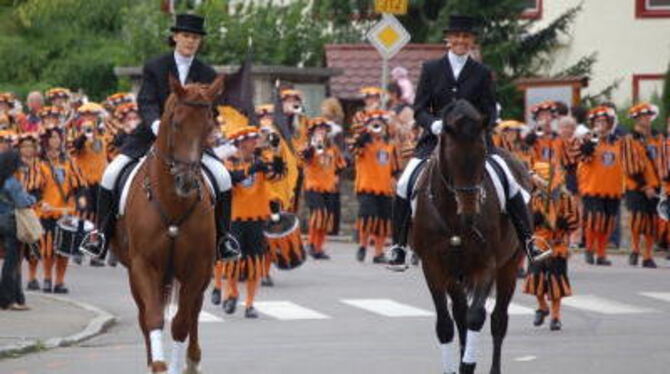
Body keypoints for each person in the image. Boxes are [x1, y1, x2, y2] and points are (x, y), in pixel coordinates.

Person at [388, 14, 542, 269]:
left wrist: (480, 127)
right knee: (404, 185)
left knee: (510, 182)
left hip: (473, 142)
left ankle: (529, 241)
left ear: (472, 41)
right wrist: (433, 124)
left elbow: (490, 109)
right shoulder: (431, 68)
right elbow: (419, 108)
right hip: (436, 140)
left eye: (466, 37)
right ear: (448, 39)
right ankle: (398, 247)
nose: (461, 40)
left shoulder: (482, 72)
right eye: (456, 36)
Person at [81, 14, 238, 261]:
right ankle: (101, 234)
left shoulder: (206, 71)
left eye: (195, 37)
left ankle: (224, 238)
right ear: (175, 37)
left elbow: (211, 109)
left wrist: (209, 127)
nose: (190, 41)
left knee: (223, 176)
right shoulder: (156, 65)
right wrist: (156, 124)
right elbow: (146, 100)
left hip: (190, 140)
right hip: (151, 133)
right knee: (111, 173)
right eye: (186, 36)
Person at [217, 126, 284, 318]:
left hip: (256, 218)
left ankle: (250, 304)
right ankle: (232, 293)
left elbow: (277, 176)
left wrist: (277, 154)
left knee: (255, 260)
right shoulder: (229, 161)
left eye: (256, 139)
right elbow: (231, 179)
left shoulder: (260, 161)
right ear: (241, 143)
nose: (256, 142)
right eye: (252, 140)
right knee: (233, 261)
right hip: (236, 218)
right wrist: (250, 169)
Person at [523, 161, 578, 331]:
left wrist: (565, 223)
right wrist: (534, 219)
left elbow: (575, 221)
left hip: (558, 243)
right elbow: (525, 221)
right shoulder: (534, 197)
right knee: (535, 277)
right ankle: (542, 306)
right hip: (539, 242)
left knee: (556, 280)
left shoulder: (565, 198)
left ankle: (556, 316)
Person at [35, 125, 87, 293]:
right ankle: (48, 278)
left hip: (66, 211)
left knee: (64, 248)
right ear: (45, 141)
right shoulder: (39, 164)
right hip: (47, 212)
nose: (55, 140)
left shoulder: (69, 162)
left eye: (57, 137)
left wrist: (81, 199)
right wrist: (41, 202)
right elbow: (33, 189)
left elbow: (80, 185)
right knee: (48, 248)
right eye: (52, 137)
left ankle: (60, 281)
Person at [349, 110, 399, 264]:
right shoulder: (363, 143)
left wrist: (396, 182)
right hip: (366, 187)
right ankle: (363, 245)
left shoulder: (390, 146)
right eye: (374, 124)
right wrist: (365, 133)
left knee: (383, 221)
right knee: (368, 217)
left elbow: (395, 170)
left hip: (384, 188)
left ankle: (378, 253)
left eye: (380, 124)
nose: (378, 127)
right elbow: (354, 148)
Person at [577, 107, 623, 266]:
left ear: (610, 124)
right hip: (592, 187)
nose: (601, 125)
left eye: (604, 122)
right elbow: (583, 157)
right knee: (595, 220)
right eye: (597, 122)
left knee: (608, 223)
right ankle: (590, 248)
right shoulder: (587, 139)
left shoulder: (618, 142)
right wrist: (592, 141)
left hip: (613, 188)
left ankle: (601, 253)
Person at [300, 118, 347, 259]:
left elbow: (341, 165)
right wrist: (314, 146)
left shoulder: (332, 148)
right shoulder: (308, 146)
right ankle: (311, 243)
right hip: (313, 186)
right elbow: (304, 158)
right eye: (318, 129)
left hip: (328, 187)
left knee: (325, 218)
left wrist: (336, 176)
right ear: (313, 132)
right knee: (319, 214)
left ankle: (318, 247)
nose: (321, 132)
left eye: (323, 129)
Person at [624, 103, 662, 268]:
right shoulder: (629, 140)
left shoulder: (658, 138)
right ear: (636, 119)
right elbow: (629, 166)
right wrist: (645, 186)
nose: (645, 120)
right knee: (638, 219)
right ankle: (634, 249)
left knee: (652, 221)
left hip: (657, 184)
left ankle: (648, 255)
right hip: (637, 185)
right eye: (641, 117)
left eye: (647, 116)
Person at [0, 151, 36, 310]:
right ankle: (9, 299)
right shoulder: (12, 182)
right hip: (11, 222)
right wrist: (33, 198)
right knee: (12, 262)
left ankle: (14, 297)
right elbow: (22, 202)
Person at [14, 133, 45, 290]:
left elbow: (44, 186)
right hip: (15, 207)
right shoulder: (13, 164)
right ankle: (16, 277)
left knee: (34, 245)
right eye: (24, 146)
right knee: (15, 246)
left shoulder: (40, 165)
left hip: (34, 207)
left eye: (30, 146)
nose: (28, 149)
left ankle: (32, 277)